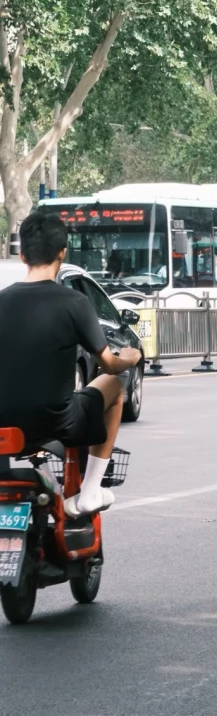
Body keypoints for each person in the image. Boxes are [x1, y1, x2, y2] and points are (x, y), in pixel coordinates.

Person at [0, 209, 141, 515]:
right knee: (115, 387)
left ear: (22, 255)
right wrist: (129, 358)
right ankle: (90, 491)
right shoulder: (74, 302)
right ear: (62, 253)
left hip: (4, 423)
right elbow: (107, 365)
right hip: (56, 422)